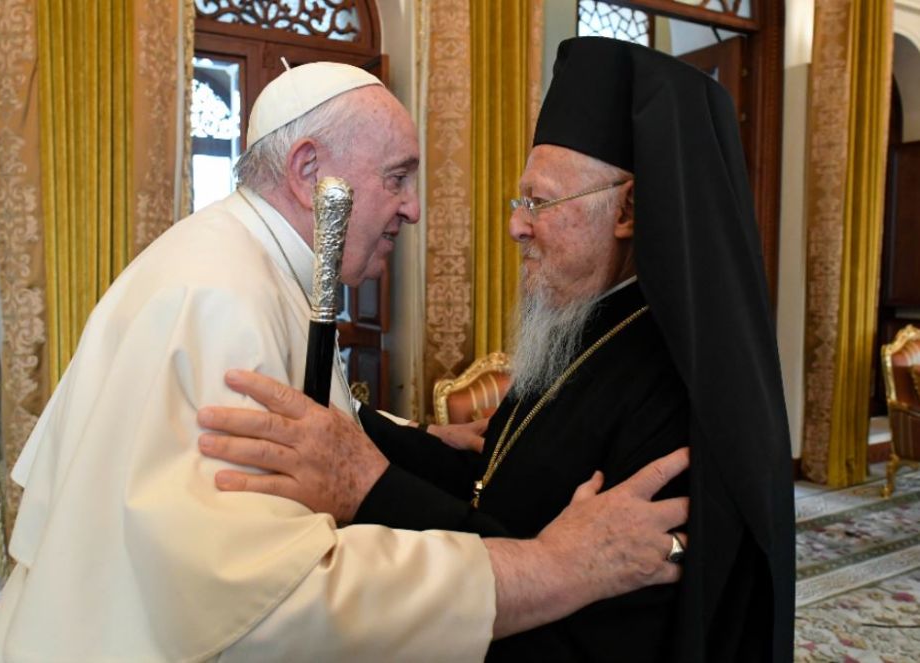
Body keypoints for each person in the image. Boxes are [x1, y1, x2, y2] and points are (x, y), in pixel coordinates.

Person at [0, 61, 690, 662]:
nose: (413, 209)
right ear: (309, 169)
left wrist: (405, 441)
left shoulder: (238, 262)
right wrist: (552, 567)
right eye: (399, 176)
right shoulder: (223, 300)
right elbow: (279, 596)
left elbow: (311, 415)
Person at [197, 38, 796, 662]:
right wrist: (352, 425)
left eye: (538, 202)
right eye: (520, 201)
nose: (515, 224)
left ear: (628, 210)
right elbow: (493, 486)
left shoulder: (675, 389)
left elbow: (606, 605)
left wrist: (369, 483)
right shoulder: (573, 326)